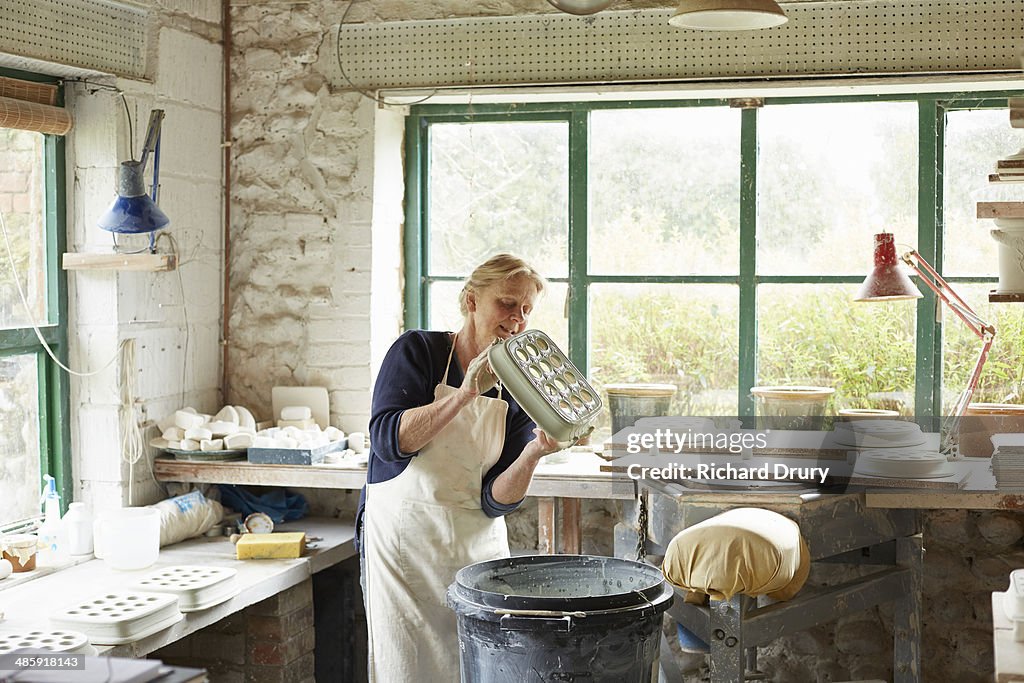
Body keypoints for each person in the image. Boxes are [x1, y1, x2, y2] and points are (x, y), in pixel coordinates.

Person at [357, 253, 562, 682]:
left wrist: (534, 454)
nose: (517, 319)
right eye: (507, 303)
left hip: (476, 546)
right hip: (405, 545)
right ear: (471, 300)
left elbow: (494, 500)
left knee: (484, 667)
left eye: (526, 309)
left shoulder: (518, 384)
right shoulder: (418, 350)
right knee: (410, 667)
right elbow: (388, 441)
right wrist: (464, 394)